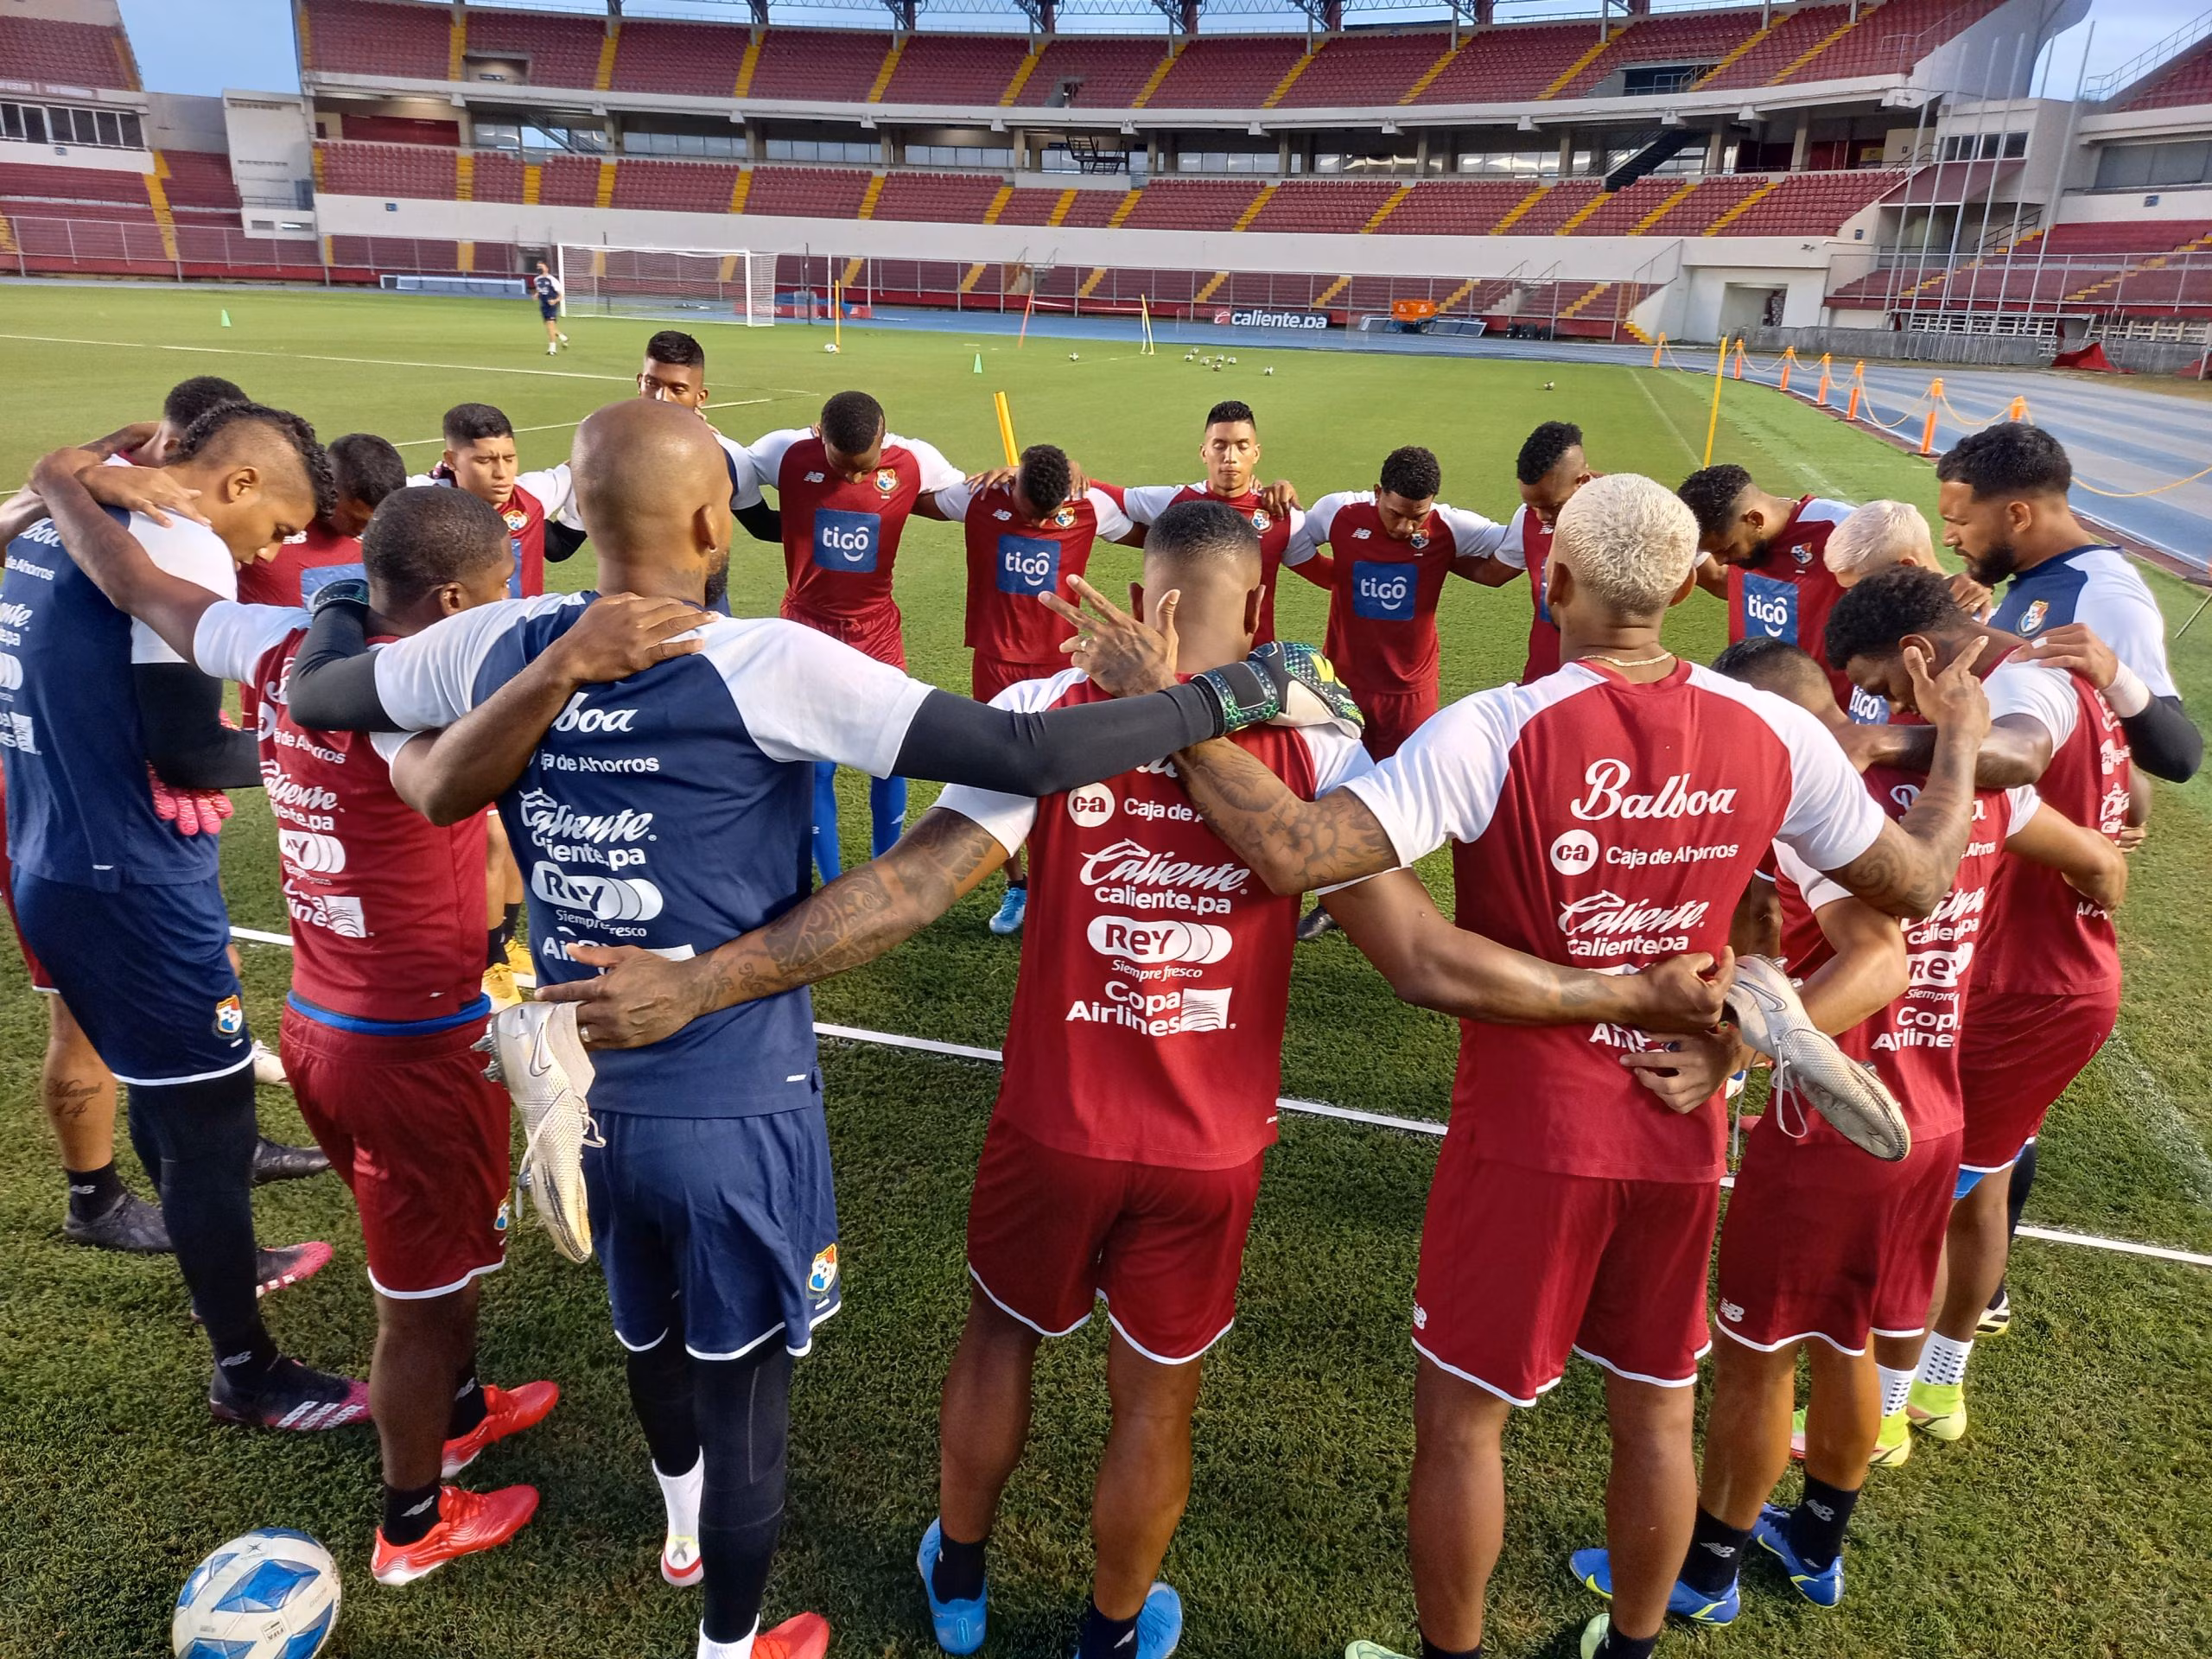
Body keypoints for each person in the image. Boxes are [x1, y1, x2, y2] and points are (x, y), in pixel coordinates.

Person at [499, 499, 1732, 1659]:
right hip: (1212, 1142)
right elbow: (1406, 947)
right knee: (1156, 1402)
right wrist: (1639, 993)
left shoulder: (1052, 706)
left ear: (1137, 594)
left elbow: (910, 889)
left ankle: (963, 1585)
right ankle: (1109, 1628)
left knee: (999, 1340)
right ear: (1256, 612)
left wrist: (707, 978)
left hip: (1055, 1120)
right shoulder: (1314, 737)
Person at [279, 397, 1335, 1659]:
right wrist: (1238, 693)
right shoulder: (767, 660)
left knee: (649, 1328)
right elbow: (1022, 750)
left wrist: (343, 590)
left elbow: (322, 686)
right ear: (717, 521)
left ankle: (687, 1531)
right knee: (751, 1397)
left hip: (577, 1081)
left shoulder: (503, 639)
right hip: (739, 1101)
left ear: (565, 518)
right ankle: (734, 1640)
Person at [1071, 473, 1996, 1659]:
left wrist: (1176, 705)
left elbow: (1301, 852)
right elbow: (1914, 890)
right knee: (1657, 1415)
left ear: (1554, 579)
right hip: (1679, 1119)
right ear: (1682, 585)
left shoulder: (1495, 727)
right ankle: (1633, 1650)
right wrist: (1959, 743)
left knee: (1465, 1426)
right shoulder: (1772, 728)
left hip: (1531, 1132)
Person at [23, 474, 696, 1580]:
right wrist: (565, 663)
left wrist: (58, 479)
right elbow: (447, 786)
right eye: (489, 593)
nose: (499, 609)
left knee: (434, 1260)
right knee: (416, 1303)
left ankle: (466, 1409)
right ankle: (410, 1523)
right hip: (412, 1044)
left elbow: (134, 581)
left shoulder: (282, 646)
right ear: (442, 604)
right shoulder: (422, 697)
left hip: (326, 1019)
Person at [1594, 637, 2124, 1627]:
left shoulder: (1810, 809)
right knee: (1848, 1344)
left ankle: (1705, 1578)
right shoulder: (1977, 798)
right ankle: (1817, 1548)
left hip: (1829, 1120)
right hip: (1933, 1113)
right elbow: (2097, 859)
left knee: (1759, 1359)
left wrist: (1738, 1052)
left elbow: (1873, 960)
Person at [1, 402, 366, 1430]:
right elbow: (192, 752)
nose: (278, 550)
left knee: (175, 1103)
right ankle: (247, 1375)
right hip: (131, 883)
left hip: (55, 857)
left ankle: (227, 1260)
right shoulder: (180, 540)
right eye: (285, 525)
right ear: (240, 485)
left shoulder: (51, 521)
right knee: (211, 1123)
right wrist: (339, 736)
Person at [1825, 566, 2133, 1451]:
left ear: (1918, 653)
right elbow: (2115, 843)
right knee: (1978, 1187)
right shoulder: (2037, 676)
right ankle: (1938, 1390)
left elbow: (2020, 757)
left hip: (2027, 991)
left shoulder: (2019, 687)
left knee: (1928, 1194)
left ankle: (1878, 1414)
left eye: (1882, 689)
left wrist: (1880, 747)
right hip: (2050, 978)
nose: (1879, 709)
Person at [746, 390, 965, 882]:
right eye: (842, 466)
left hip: (876, 631)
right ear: (817, 435)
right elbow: (730, 469)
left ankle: (887, 874)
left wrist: (1011, 476)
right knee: (815, 766)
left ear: (884, 437)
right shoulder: (784, 451)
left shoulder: (915, 459)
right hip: (806, 628)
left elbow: (969, 494)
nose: (854, 476)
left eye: (864, 467)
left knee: (889, 757)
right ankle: (829, 882)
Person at [916, 440, 1133, 935]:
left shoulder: (1089, 505)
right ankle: (1018, 887)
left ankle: (1063, 886)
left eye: (1047, 516)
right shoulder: (980, 496)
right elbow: (913, 494)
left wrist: (1090, 478)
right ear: (1012, 484)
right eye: (1029, 513)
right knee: (997, 777)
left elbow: (1147, 526)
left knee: (1065, 783)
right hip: (995, 664)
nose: (1036, 524)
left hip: (1061, 669)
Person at [1933, 422, 2200, 784]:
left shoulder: (2103, 597)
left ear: (2018, 516)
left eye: (1959, 522)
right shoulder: (2037, 577)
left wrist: (2118, 678)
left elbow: (2179, 757)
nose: (1949, 538)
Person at [1116, 399, 1324, 647]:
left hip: (1252, 662)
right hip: (1182, 659)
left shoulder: (1282, 515)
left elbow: (1327, 575)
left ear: (1256, 453)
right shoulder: (1173, 501)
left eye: (1241, 446)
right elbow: (1104, 497)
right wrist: (1072, 472)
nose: (1230, 457)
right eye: (1220, 445)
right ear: (1204, 452)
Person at [1677, 465, 1863, 716]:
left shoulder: (1841, 528)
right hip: (1755, 713)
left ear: (1755, 520)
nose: (1721, 560)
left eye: (1727, 549)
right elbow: (1724, 580)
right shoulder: (1745, 549)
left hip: (1826, 722)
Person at [1457, 419, 1594, 683]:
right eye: (1533, 505)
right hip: (1543, 679)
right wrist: (1435, 551)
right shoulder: (1528, 517)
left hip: (1600, 681)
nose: (1541, 517)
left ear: (1583, 481)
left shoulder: (1626, 516)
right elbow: (1495, 573)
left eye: (1553, 506)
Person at [411, 402, 575, 601]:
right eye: (484, 461)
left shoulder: (531, 495)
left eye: (509, 458)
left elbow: (582, 464)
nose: (502, 473)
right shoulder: (418, 502)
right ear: (451, 460)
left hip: (523, 628)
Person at [533, 259, 568, 355]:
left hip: (551, 306)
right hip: (543, 306)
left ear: (546, 268)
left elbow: (561, 295)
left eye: (541, 266)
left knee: (550, 327)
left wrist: (555, 301)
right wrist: (536, 295)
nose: (539, 268)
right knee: (549, 327)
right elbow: (540, 290)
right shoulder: (537, 280)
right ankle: (562, 337)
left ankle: (552, 349)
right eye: (538, 267)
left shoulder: (552, 280)